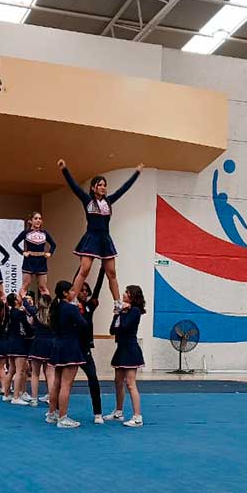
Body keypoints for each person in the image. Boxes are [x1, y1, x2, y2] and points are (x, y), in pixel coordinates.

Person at [58, 158, 144, 313]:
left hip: (105, 239)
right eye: (100, 185)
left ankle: (117, 303)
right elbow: (74, 186)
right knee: (84, 270)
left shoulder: (109, 202)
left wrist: (136, 173)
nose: (103, 187)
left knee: (112, 273)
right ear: (93, 187)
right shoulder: (87, 200)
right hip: (91, 237)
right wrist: (64, 169)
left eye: (105, 185)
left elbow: (124, 189)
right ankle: (72, 299)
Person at [46, 280, 87, 429]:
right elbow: (84, 325)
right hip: (70, 346)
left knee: (57, 382)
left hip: (58, 345)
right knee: (66, 384)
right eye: (71, 291)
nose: (74, 293)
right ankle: (63, 417)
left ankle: (52, 413)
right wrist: (79, 310)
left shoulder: (55, 307)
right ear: (65, 293)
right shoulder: (71, 308)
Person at [105, 285, 147, 428]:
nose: (123, 294)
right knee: (118, 381)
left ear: (132, 296)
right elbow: (112, 330)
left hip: (130, 349)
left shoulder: (134, 311)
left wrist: (122, 313)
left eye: (126, 292)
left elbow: (125, 326)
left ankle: (137, 417)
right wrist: (118, 313)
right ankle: (118, 411)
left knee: (130, 383)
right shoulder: (122, 311)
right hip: (121, 348)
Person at [76, 269, 106, 424]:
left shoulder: (90, 306)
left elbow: (98, 288)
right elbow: (76, 280)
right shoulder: (73, 305)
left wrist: (102, 269)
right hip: (73, 348)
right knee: (64, 382)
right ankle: (56, 411)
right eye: (81, 290)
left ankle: (98, 413)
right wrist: (82, 267)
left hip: (85, 349)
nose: (84, 292)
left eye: (86, 290)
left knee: (93, 378)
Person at [12, 212, 56, 297]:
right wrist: (23, 252)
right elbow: (15, 244)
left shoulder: (44, 233)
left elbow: (53, 244)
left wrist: (50, 253)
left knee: (43, 287)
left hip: (41, 260)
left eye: (40, 219)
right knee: (25, 286)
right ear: (30, 221)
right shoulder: (26, 232)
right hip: (29, 260)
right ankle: (21, 304)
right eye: (35, 218)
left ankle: (46, 305)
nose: (38, 220)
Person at [26, 293, 55, 408]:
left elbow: (26, 306)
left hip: (38, 343)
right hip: (51, 343)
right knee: (50, 374)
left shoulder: (36, 312)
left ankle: (34, 399)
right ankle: (52, 399)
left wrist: (23, 294)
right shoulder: (54, 314)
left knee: (35, 373)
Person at [5, 293, 33, 406]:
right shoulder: (19, 313)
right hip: (19, 343)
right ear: (16, 301)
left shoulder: (10, 312)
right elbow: (26, 327)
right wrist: (32, 330)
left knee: (12, 370)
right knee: (19, 371)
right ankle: (16, 396)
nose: (20, 298)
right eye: (18, 297)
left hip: (11, 342)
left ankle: (6, 394)